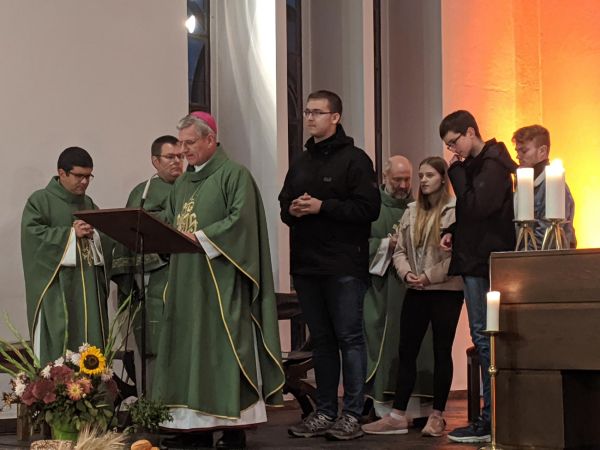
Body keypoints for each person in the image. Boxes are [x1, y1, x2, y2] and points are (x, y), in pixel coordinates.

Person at [151, 112, 284, 450]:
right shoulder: (182, 184)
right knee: (188, 352)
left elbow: (242, 222)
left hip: (220, 282)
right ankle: (193, 430)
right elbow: (174, 221)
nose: (183, 151)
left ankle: (232, 429)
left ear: (210, 139)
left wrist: (202, 237)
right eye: (181, 144)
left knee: (222, 351)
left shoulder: (234, 175)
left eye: (190, 143)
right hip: (185, 281)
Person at [280, 90, 381, 441]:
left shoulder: (355, 160)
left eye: (317, 112)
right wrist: (292, 209)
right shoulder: (301, 161)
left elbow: (369, 209)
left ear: (335, 117)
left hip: (343, 265)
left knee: (349, 338)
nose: (309, 118)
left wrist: (323, 207)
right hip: (307, 264)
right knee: (321, 341)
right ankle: (324, 411)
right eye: (307, 112)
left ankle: (352, 413)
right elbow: (284, 202)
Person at [362, 156, 463, 437]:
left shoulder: (455, 210)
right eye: (421, 175)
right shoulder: (412, 210)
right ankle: (397, 416)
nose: (423, 181)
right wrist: (407, 274)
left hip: (445, 290)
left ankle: (437, 416)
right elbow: (400, 250)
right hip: (416, 290)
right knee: (406, 351)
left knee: (441, 351)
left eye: (429, 175)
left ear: (443, 178)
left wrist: (429, 276)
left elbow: (458, 253)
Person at [439, 110, 517, 444]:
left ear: (471, 132)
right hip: (475, 260)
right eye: (448, 146)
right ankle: (490, 416)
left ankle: (492, 418)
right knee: (482, 338)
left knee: (487, 339)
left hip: (485, 263)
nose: (453, 151)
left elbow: (478, 207)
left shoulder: (493, 165)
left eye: (454, 142)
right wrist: (454, 231)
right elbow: (474, 216)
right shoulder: (478, 165)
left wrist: (456, 173)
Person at [21, 147, 110, 365]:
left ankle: (94, 386)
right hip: (57, 289)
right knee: (60, 347)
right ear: (62, 173)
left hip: (87, 287)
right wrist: (70, 234)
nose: (85, 182)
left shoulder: (89, 203)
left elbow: (106, 237)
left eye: (88, 176)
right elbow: (33, 238)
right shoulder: (40, 200)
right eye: (79, 176)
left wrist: (96, 234)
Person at [363, 155, 434, 415]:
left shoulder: (421, 207)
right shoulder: (372, 207)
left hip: (415, 287)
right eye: (397, 180)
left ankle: (419, 410)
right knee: (386, 344)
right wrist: (386, 245)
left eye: (407, 179)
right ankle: (383, 408)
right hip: (383, 290)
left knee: (420, 348)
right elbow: (358, 247)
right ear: (384, 177)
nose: (404, 185)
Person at [111, 135, 184, 385]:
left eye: (180, 156)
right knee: (157, 342)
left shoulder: (191, 188)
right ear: (155, 161)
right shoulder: (144, 192)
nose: (177, 162)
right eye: (170, 157)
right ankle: (156, 401)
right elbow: (133, 234)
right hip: (155, 277)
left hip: (188, 273)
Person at [512, 124, 576, 248]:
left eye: (524, 151)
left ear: (542, 151)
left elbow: (546, 236)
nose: (518, 156)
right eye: (517, 151)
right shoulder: (523, 183)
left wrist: (524, 256)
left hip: (548, 258)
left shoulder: (555, 187)